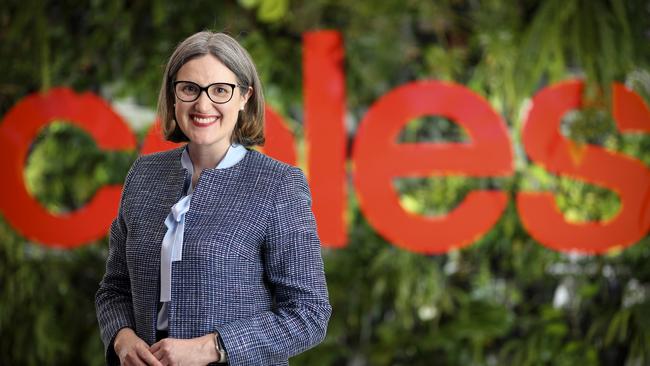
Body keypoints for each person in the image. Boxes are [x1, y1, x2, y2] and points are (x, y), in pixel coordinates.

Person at [95, 30, 331, 366]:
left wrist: (213, 347)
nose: (203, 104)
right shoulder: (144, 175)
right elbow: (114, 289)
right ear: (173, 96)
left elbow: (309, 314)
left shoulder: (279, 185)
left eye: (220, 90)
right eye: (190, 89)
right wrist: (122, 337)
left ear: (244, 96)